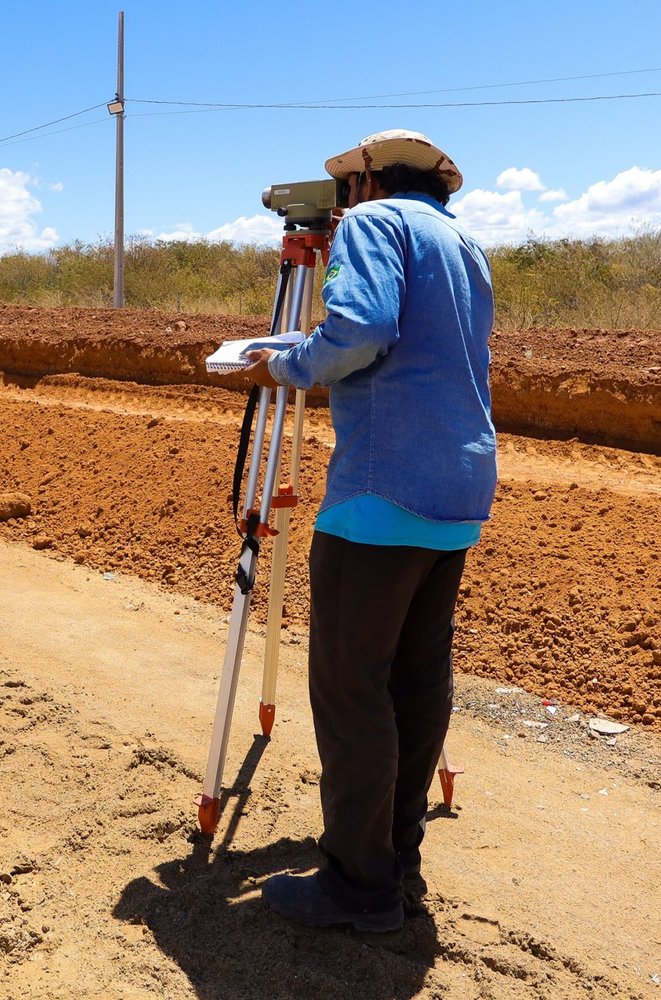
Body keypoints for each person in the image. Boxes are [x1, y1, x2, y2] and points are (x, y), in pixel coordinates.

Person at [240, 129, 497, 932]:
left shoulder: (372, 224)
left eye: (347, 189)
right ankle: (397, 856)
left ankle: (357, 885)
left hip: (381, 491)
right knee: (416, 682)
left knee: (353, 689)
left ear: (370, 182)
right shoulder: (463, 243)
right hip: (457, 485)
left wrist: (279, 365)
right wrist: (300, 347)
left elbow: (360, 332)